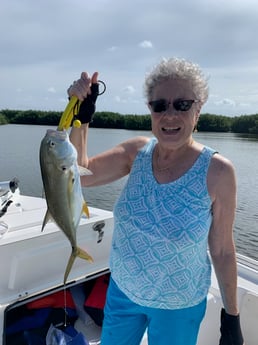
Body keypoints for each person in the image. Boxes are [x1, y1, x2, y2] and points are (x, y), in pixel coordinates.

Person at [68, 58, 244, 345]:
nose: (170, 115)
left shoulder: (218, 171)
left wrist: (232, 316)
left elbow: (222, 249)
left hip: (179, 305)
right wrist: (81, 113)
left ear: (198, 108)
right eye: (159, 105)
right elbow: (79, 175)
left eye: (182, 105)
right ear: (150, 109)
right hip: (123, 293)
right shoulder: (136, 153)